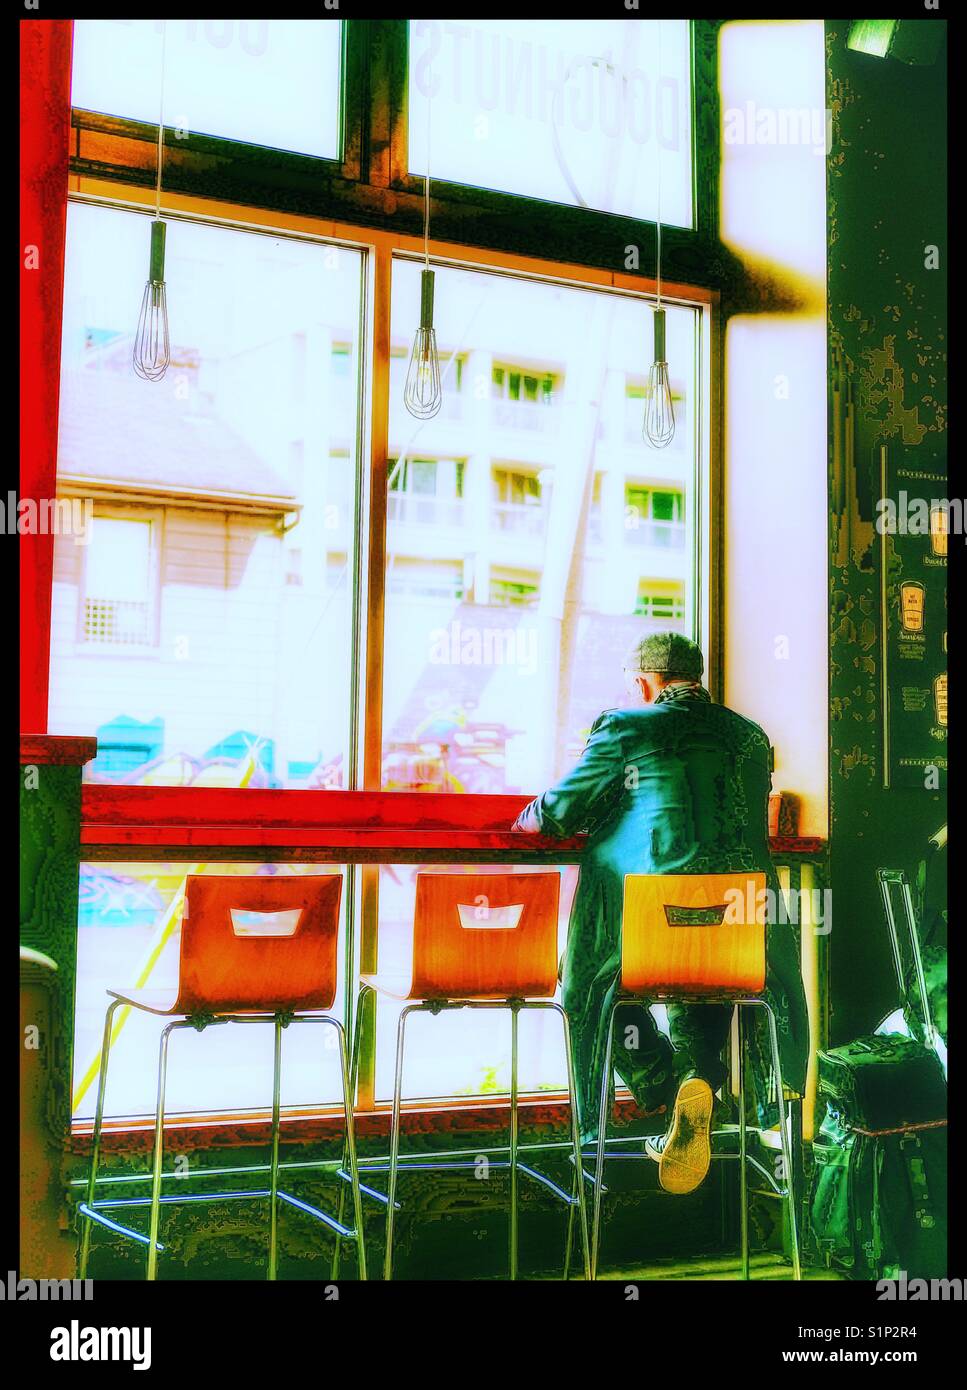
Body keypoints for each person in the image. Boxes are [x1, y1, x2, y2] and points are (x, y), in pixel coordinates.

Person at [512, 632, 809, 1195]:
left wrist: (527, 819)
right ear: (698, 679)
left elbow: (556, 813)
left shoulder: (626, 727)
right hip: (744, 936)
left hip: (646, 934)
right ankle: (699, 1080)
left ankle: (662, 1080)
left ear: (643, 682)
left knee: (591, 989)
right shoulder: (749, 737)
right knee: (705, 973)